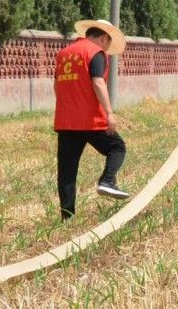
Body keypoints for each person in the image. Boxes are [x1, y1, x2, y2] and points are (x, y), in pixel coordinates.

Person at [54, 19, 129, 221]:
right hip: (90, 119)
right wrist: (109, 113)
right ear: (104, 37)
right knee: (117, 148)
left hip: (66, 120)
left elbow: (56, 86)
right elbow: (98, 82)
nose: (107, 48)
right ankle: (107, 180)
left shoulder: (64, 54)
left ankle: (66, 216)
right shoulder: (95, 53)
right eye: (108, 43)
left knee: (67, 170)